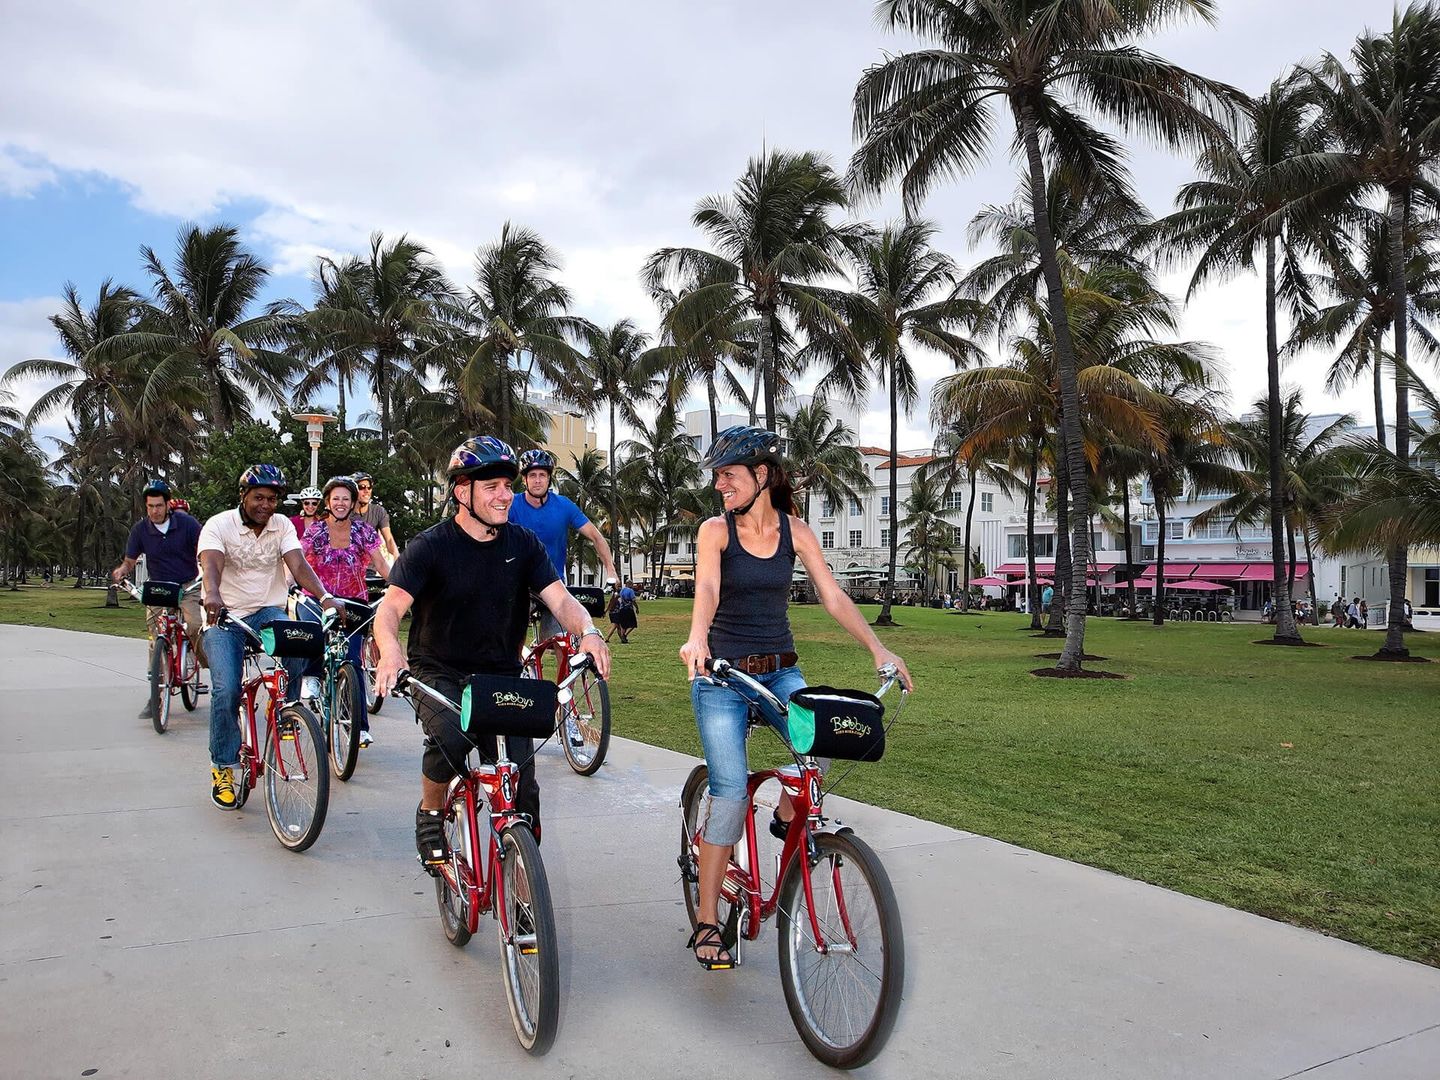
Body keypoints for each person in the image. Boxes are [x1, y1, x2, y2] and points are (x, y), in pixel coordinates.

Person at [677, 426, 912, 969]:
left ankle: (787, 814)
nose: (721, 486)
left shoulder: (795, 532)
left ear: (762, 476)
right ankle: (709, 921)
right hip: (721, 678)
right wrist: (698, 637)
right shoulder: (715, 531)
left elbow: (831, 594)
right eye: (718, 477)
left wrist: (879, 647)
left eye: (730, 475)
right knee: (731, 794)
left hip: (781, 671)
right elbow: (707, 588)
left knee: (828, 737)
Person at [370, 436, 610, 866]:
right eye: (492, 487)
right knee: (449, 732)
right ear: (462, 492)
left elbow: (561, 600)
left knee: (522, 784)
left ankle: (521, 880)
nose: (505, 496)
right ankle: (430, 812)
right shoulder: (429, 546)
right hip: (438, 668)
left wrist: (588, 632)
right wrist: (390, 651)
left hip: (501, 673)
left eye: (507, 486)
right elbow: (389, 611)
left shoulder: (522, 545)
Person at [198, 465, 340, 810]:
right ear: (243, 496)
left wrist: (324, 597)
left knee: (299, 636)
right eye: (259, 497)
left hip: (266, 610)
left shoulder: (281, 526)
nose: (266, 504)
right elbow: (211, 565)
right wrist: (212, 594)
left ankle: (287, 713)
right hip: (225, 615)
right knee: (226, 689)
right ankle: (224, 767)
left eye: (272, 498)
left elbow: (298, 565)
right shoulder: (219, 525)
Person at [296, 476, 391, 746]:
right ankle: (312, 676)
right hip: (318, 600)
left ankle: (359, 727)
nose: (340, 503)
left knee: (354, 663)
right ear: (328, 502)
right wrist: (288, 583)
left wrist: (401, 585)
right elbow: (298, 561)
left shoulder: (364, 532)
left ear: (352, 503)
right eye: (335, 498)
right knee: (311, 633)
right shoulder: (315, 532)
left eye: (345, 499)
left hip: (353, 604)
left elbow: (381, 565)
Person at [113, 479, 205, 720]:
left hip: (188, 585)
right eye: (150, 506)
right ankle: (157, 693)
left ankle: (199, 661)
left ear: (168, 505)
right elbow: (130, 560)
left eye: (159, 506)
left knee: (195, 625)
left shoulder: (186, 524)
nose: (154, 511)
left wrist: (208, 570)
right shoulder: (141, 530)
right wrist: (122, 571)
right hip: (159, 588)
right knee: (155, 639)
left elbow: (206, 549)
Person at [507, 449, 620, 639]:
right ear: (524, 479)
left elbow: (596, 537)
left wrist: (611, 570)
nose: (537, 480)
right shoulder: (511, 505)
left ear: (549, 479)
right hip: (519, 583)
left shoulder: (564, 506)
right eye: (532, 475)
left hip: (552, 583)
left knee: (562, 642)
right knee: (511, 636)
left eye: (542, 475)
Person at [351, 472, 400, 562]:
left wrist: (399, 562)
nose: (367, 491)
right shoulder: (343, 513)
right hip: (346, 569)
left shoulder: (378, 511)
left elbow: (389, 540)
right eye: (361, 487)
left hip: (370, 569)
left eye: (369, 487)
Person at [606, 578, 639, 643]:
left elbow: (616, 598)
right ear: (629, 584)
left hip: (621, 609)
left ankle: (622, 638)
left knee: (623, 625)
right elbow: (633, 601)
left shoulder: (622, 590)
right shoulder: (630, 591)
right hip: (628, 609)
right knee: (633, 624)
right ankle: (624, 635)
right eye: (631, 584)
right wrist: (637, 608)